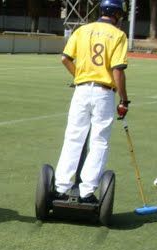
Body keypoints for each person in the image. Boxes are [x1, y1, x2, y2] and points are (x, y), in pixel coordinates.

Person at [54, 0, 130, 203]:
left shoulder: (82, 30)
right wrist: (123, 99)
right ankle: (87, 192)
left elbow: (65, 58)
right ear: (117, 15)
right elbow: (117, 70)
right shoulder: (118, 35)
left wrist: (79, 76)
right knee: (99, 141)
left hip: (81, 90)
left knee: (73, 137)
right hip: (104, 93)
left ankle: (61, 187)